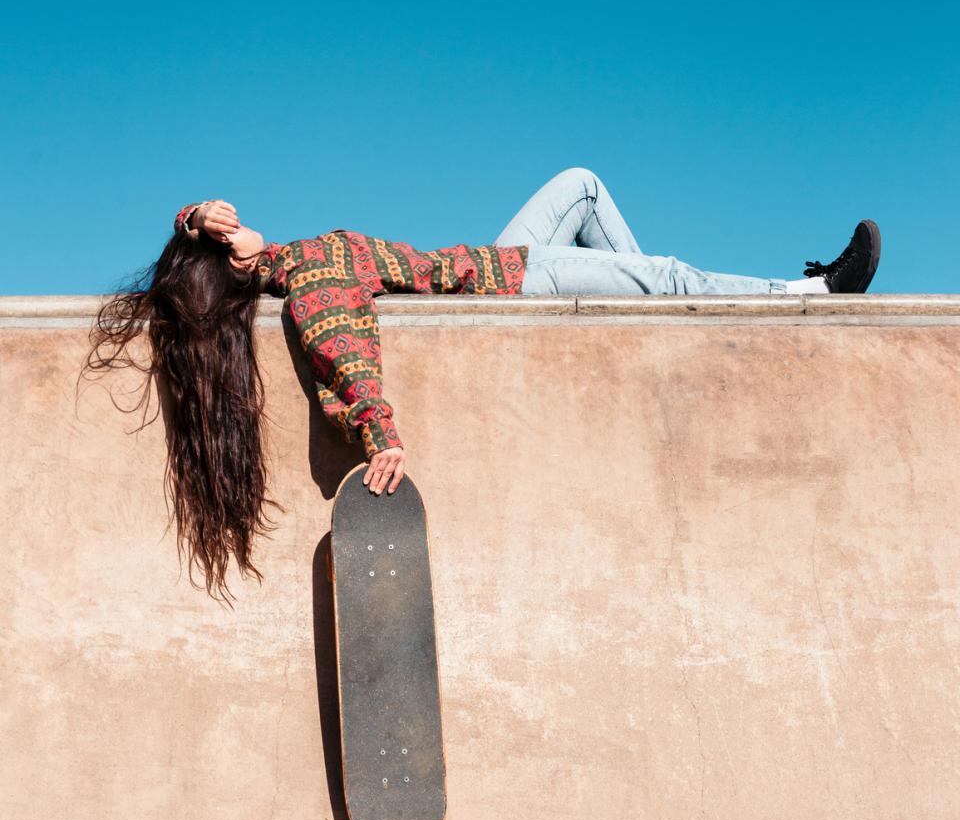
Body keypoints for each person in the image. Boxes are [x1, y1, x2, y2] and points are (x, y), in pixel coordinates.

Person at [82, 166, 880, 605]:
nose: (234, 216)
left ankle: (652, 327)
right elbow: (346, 354)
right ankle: (809, 295)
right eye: (225, 231)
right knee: (665, 274)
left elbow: (197, 222)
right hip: (511, 283)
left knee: (582, 186)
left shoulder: (273, 257)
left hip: (484, 263)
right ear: (234, 265)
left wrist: (193, 217)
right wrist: (380, 436)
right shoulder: (310, 281)